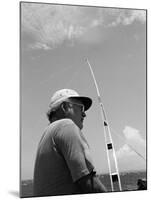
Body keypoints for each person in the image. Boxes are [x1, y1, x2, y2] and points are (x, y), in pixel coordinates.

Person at [33, 89, 107, 197]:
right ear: (64, 107)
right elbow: (87, 182)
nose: (84, 114)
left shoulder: (47, 134)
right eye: (81, 108)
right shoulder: (66, 125)